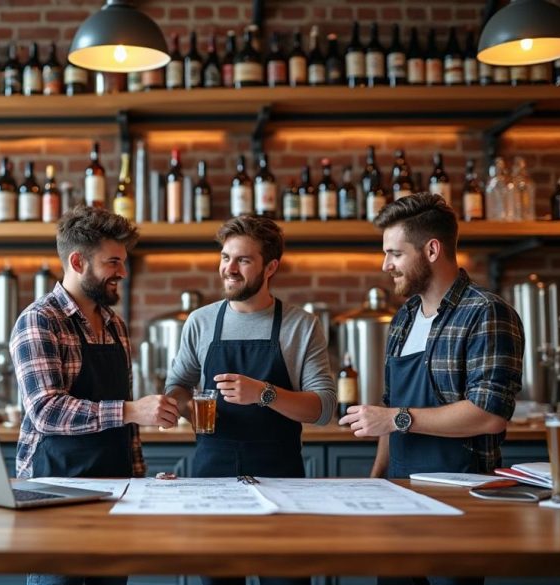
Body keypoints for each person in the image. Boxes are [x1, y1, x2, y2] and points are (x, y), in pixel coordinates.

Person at [339, 193, 524, 585]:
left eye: (395, 253)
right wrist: (377, 479)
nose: (385, 265)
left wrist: (395, 418)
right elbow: (391, 409)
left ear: (432, 249)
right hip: (400, 495)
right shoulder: (404, 317)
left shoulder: (486, 312)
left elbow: (489, 415)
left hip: (460, 498)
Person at [12, 206, 179, 585]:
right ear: (77, 261)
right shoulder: (40, 320)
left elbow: (125, 421)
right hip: (54, 494)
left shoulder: (114, 323)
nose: (122, 272)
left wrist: (140, 482)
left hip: (114, 494)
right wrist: (133, 410)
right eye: (113, 262)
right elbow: (46, 412)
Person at [165, 215, 336, 585]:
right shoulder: (200, 322)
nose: (230, 268)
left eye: (243, 260)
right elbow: (177, 386)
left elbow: (323, 408)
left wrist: (264, 393)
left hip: (282, 483)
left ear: (270, 267)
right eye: (226, 257)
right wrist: (179, 404)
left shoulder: (300, 325)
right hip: (212, 482)